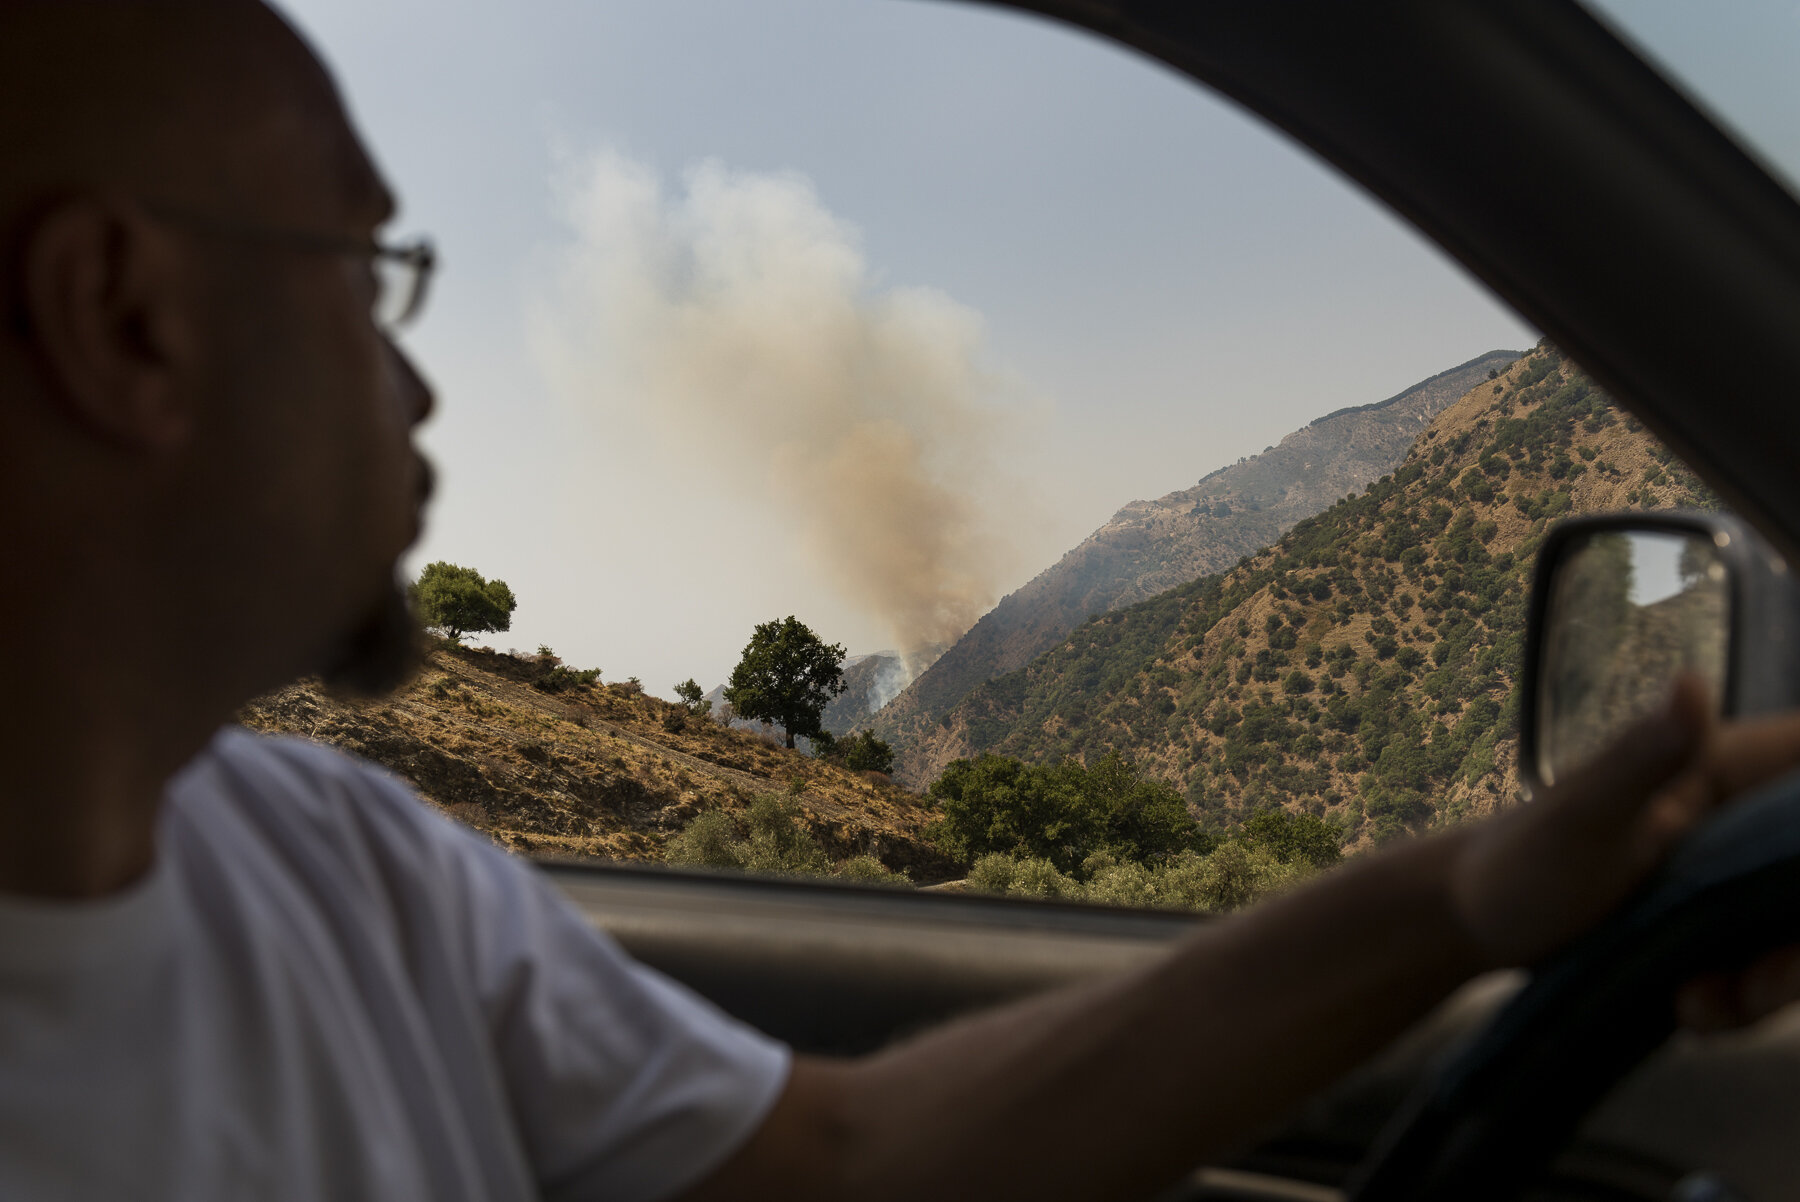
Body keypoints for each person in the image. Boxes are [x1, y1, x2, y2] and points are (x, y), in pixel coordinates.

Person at [3, 1, 1799, 1198]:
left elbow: (859, 1157)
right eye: (364, 272)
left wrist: (1467, 893)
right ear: (123, 318)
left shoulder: (346, 862)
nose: (421, 387)